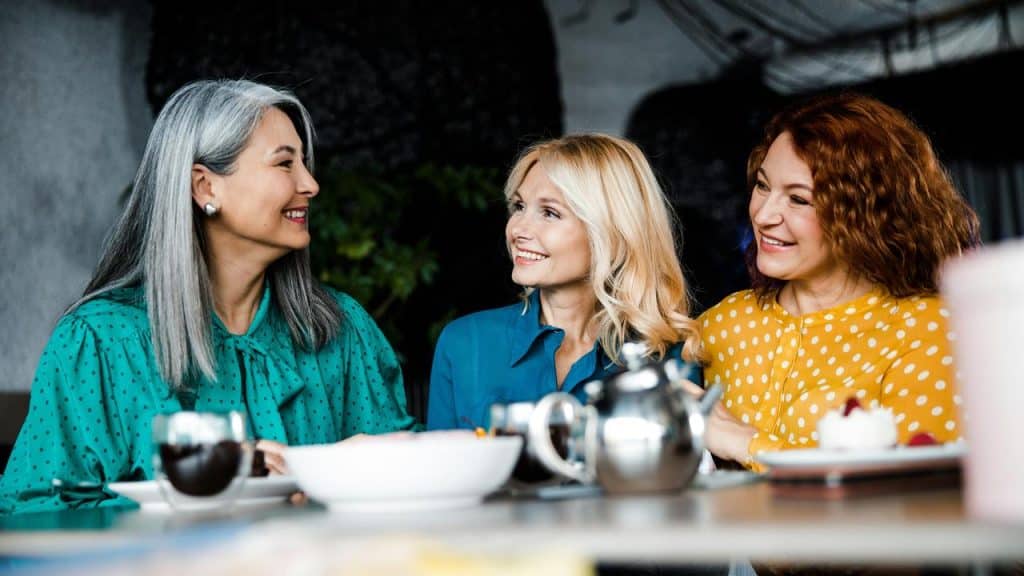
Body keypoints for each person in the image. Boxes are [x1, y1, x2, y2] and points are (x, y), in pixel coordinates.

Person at [0, 80, 418, 514]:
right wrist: (208, 483)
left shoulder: (341, 330)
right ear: (205, 187)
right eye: (284, 164)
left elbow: (412, 490)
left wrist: (330, 471)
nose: (310, 184)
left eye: (305, 163)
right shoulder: (98, 344)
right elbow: (36, 512)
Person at [694, 92, 980, 469]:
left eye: (798, 200)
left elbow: (920, 487)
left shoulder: (928, 328)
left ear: (866, 216)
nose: (763, 215)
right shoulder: (722, 324)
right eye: (763, 185)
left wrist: (747, 443)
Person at [427, 133, 702, 431]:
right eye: (519, 206)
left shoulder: (667, 356)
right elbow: (440, 473)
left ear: (611, 231)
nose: (518, 228)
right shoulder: (466, 343)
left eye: (549, 212)